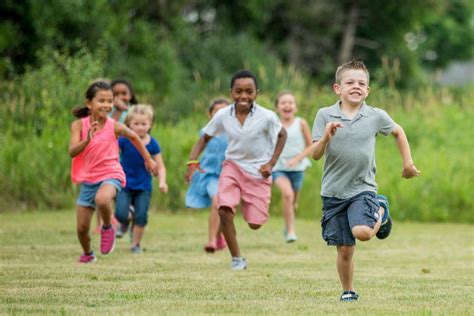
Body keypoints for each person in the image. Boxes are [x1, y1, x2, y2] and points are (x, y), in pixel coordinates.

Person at [310, 59, 420, 301]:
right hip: (333, 192)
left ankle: (380, 208)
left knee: (363, 232)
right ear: (337, 88)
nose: (356, 86)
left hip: (362, 189)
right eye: (350, 82)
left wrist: (408, 163)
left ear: (368, 90)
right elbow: (315, 155)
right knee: (345, 249)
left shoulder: (375, 116)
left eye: (362, 83)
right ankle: (348, 291)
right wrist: (326, 136)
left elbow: (398, 132)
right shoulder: (324, 115)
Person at [185, 70, 287, 271]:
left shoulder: (267, 116)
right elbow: (204, 137)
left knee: (255, 223)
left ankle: (243, 202)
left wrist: (271, 164)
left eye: (249, 91)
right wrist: (192, 162)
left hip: (259, 172)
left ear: (256, 92)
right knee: (223, 209)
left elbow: (282, 135)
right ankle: (237, 259)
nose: (243, 96)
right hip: (232, 166)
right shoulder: (222, 115)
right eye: (238, 91)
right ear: (231, 92)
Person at [69, 81, 159, 264]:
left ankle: (108, 227)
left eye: (109, 101)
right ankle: (88, 254)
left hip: (112, 174)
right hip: (88, 180)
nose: (107, 105)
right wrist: (87, 140)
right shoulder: (78, 125)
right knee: (81, 228)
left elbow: (134, 136)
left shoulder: (114, 125)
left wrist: (148, 159)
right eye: (101, 100)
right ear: (89, 103)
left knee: (102, 199)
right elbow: (72, 151)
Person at [115, 104, 168, 254]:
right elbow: (112, 153)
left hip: (143, 186)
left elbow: (161, 166)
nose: (139, 127)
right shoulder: (124, 140)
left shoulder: (153, 144)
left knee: (141, 215)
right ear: (128, 124)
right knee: (120, 213)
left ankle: (135, 245)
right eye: (136, 124)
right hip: (124, 184)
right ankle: (125, 220)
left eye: (143, 124)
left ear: (150, 124)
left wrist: (162, 182)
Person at [185, 98, 230, 253]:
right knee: (217, 200)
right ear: (210, 114)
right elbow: (198, 147)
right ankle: (211, 241)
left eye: (224, 112)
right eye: (217, 112)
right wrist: (192, 163)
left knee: (226, 207)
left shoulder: (235, 131)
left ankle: (218, 236)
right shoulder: (207, 131)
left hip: (229, 175)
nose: (220, 116)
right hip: (210, 174)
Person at [272, 92, 312, 243]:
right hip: (279, 168)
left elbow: (311, 145)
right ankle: (291, 232)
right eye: (283, 103)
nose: (287, 105)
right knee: (287, 195)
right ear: (277, 108)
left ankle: (288, 224)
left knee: (293, 203)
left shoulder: (301, 123)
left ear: (295, 107)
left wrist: (297, 159)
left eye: (290, 103)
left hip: (297, 168)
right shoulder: (274, 124)